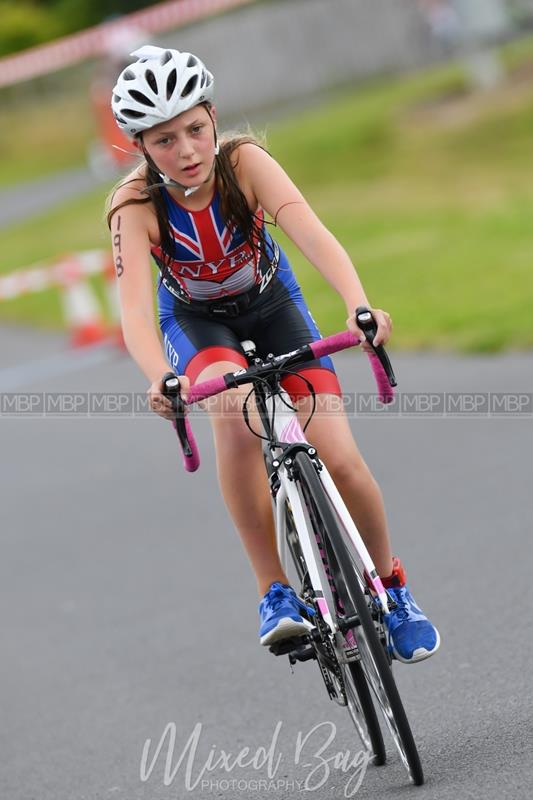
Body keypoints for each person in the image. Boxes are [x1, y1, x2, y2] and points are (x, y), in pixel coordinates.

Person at [107, 45, 440, 664]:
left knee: (339, 457)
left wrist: (359, 306)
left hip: (272, 302)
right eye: (163, 141)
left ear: (212, 116)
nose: (185, 151)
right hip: (197, 322)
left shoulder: (245, 162)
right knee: (233, 418)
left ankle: (394, 589)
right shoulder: (134, 206)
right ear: (139, 147)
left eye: (195, 130)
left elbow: (309, 229)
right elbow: (133, 309)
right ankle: (275, 590)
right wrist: (160, 378)